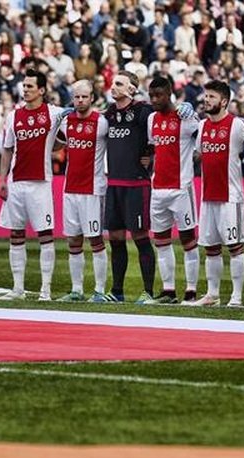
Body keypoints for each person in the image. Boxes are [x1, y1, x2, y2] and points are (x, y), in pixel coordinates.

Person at [0, 69, 65, 301]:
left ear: (42, 90)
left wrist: (54, 145)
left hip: (40, 183)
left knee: (45, 235)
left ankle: (46, 289)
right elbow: (7, 149)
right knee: (16, 234)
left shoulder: (55, 114)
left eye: (30, 86)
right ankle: (18, 289)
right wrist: (2, 179)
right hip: (16, 183)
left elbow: (64, 139)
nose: (25, 90)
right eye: (24, 86)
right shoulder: (14, 116)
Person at [190, 80, 244, 307]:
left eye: (211, 97)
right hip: (208, 196)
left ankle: (236, 297)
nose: (206, 100)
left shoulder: (237, 125)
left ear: (224, 101)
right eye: (205, 96)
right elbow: (199, 154)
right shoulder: (202, 127)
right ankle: (212, 294)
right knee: (211, 247)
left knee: (235, 246)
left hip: (231, 196)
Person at [145, 75, 199, 304]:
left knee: (188, 239)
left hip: (181, 188)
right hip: (158, 190)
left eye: (159, 95)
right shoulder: (151, 119)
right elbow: (152, 150)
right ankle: (168, 290)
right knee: (161, 240)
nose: (155, 100)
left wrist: (192, 109)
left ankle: (191, 290)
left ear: (169, 95)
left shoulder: (185, 118)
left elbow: (201, 142)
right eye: (151, 96)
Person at [103, 70, 155, 303]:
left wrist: (151, 155)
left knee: (140, 235)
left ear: (131, 90)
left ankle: (148, 292)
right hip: (113, 183)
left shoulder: (143, 112)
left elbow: (159, 134)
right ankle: (117, 291)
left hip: (136, 184)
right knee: (115, 237)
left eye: (119, 84)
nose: (113, 87)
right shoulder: (110, 114)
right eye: (113, 83)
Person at [56, 79, 109, 302]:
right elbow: (56, 142)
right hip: (70, 189)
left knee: (95, 240)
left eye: (84, 96)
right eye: (77, 97)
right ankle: (77, 290)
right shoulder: (66, 122)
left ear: (92, 98)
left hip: (92, 190)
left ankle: (99, 290)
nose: (80, 100)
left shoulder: (101, 123)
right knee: (73, 241)